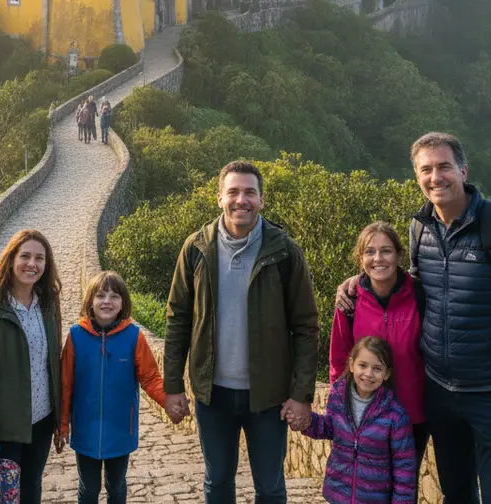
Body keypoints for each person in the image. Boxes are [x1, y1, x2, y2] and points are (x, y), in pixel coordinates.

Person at [336, 132, 491, 503]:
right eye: (426, 169)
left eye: (444, 167)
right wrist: (360, 281)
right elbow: (412, 287)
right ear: (417, 176)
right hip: (439, 391)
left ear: (463, 170)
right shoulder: (420, 227)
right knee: (456, 493)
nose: (435, 177)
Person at [163, 159, 320, 504]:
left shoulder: (284, 252)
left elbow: (306, 327)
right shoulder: (196, 249)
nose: (241, 200)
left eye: (250, 192)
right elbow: (178, 320)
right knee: (217, 482)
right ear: (219, 197)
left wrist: (301, 393)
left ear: (262, 200)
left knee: (270, 486)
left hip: (268, 396)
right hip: (212, 394)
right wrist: (172, 387)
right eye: (233, 192)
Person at [0, 229, 64, 504]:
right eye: (26, 256)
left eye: (40, 258)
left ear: (46, 265)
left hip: (41, 421)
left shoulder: (47, 304)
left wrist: (59, 418)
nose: (32, 264)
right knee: (4, 496)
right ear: (11, 259)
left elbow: (53, 361)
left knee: (31, 488)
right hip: (3, 427)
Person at [60, 270, 177, 504]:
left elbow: (151, 377)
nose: (107, 301)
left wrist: (169, 402)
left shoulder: (134, 336)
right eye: (101, 295)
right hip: (85, 429)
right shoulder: (75, 336)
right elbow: (65, 384)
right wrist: (63, 425)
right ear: (90, 302)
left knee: (117, 487)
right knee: (88, 489)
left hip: (121, 429)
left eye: (114, 296)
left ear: (123, 302)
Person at [329, 222, 427, 472]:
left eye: (386, 251)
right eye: (369, 252)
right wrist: (340, 409)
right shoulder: (349, 301)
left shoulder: (419, 294)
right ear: (360, 258)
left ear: (398, 255)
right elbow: (339, 360)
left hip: (413, 414)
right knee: (368, 487)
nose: (378, 258)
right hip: (364, 416)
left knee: (404, 488)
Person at [304, 335, 416, 503]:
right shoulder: (338, 396)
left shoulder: (395, 414)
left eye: (377, 368)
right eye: (363, 365)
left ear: (387, 373)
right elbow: (329, 428)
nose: (368, 374)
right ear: (351, 364)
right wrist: (306, 421)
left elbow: (404, 467)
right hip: (338, 494)